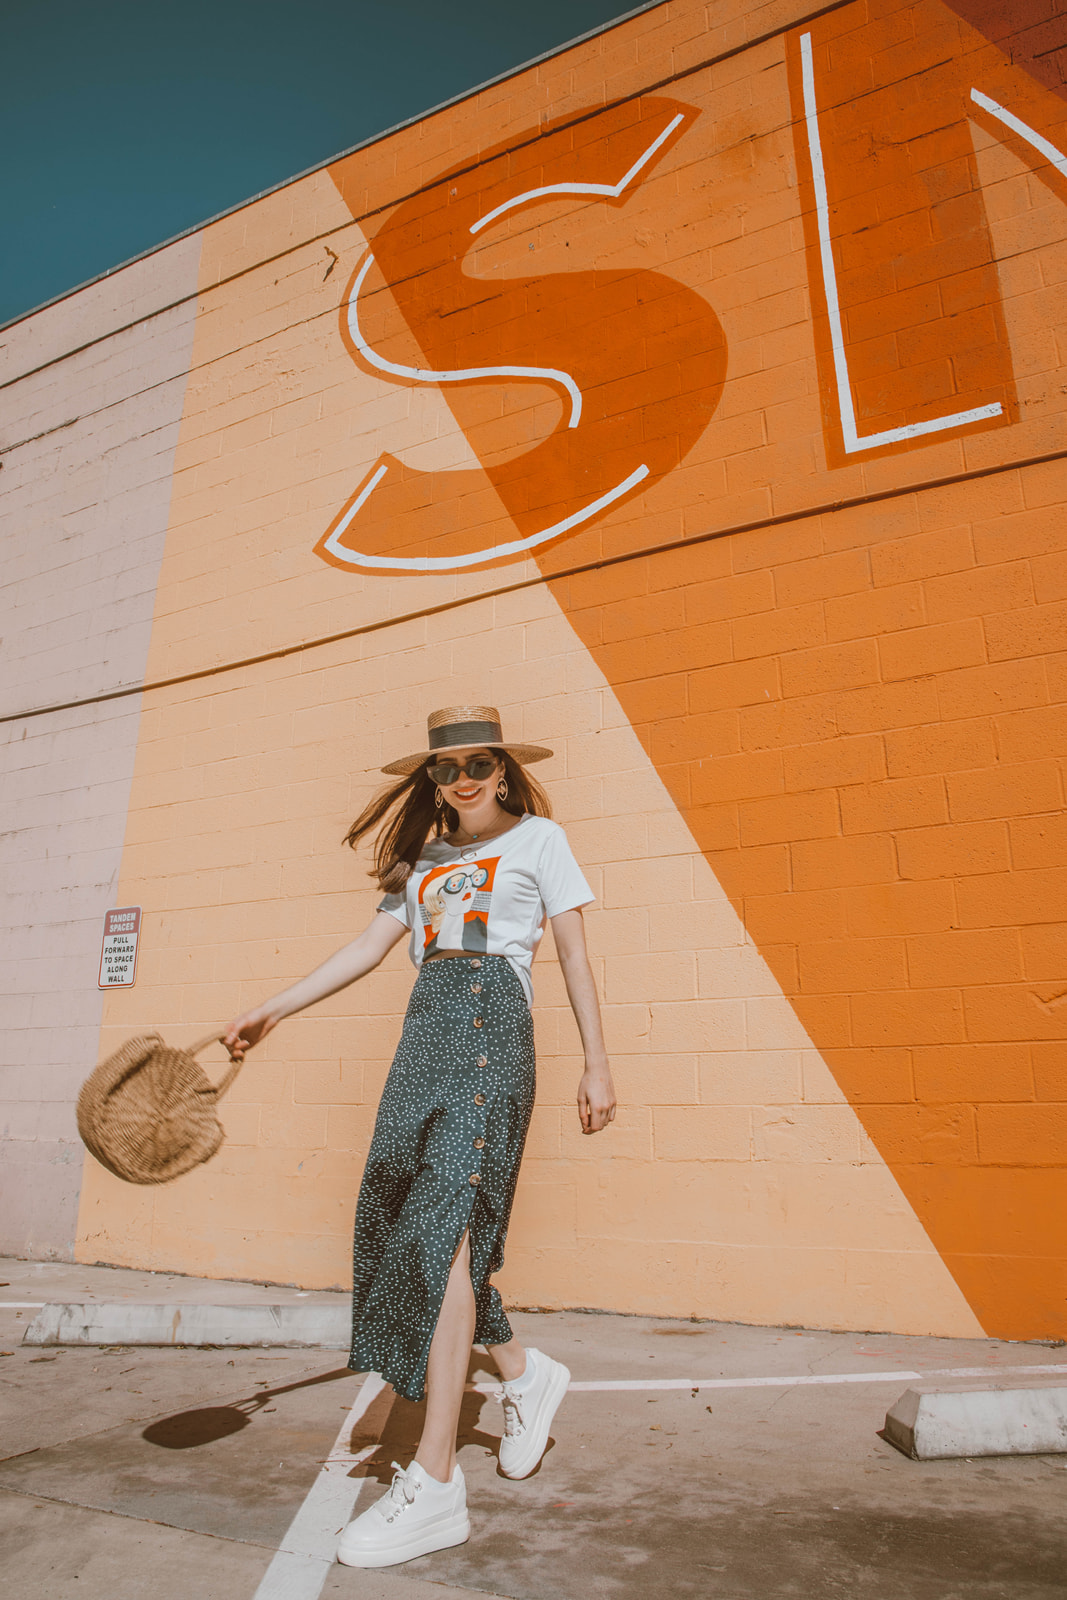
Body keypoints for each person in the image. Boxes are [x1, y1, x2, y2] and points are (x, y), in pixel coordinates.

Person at [224, 704, 616, 1568]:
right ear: (430, 780)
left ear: (504, 770)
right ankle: (519, 1368)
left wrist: (597, 1061)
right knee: (415, 1223)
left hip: (490, 1032)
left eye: (479, 762)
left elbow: (575, 955)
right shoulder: (423, 862)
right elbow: (366, 949)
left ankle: (434, 1481)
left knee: (442, 1235)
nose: (464, 778)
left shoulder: (540, 841)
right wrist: (273, 1010)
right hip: (421, 1039)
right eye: (447, 768)